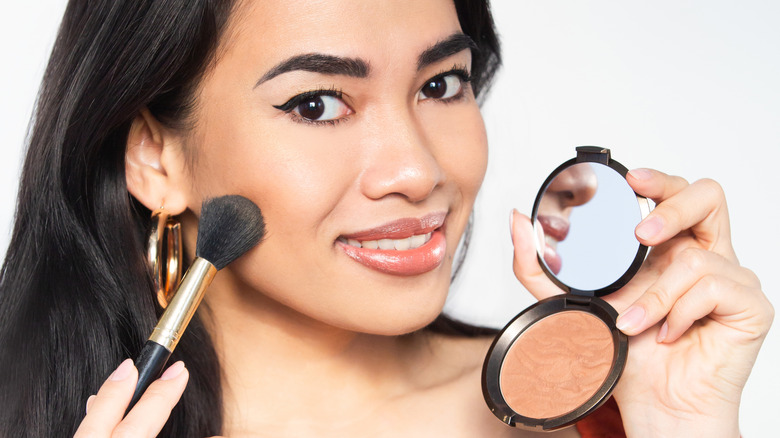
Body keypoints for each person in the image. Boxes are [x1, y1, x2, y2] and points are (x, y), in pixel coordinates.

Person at [0, 0, 772, 436]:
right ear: (154, 158)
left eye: (441, 86)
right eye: (317, 104)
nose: (418, 170)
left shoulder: (589, 414)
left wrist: (688, 427)